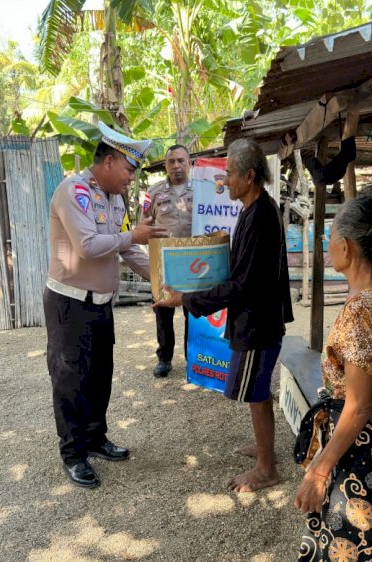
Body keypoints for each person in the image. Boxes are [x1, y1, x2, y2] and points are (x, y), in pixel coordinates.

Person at [153, 138, 293, 493]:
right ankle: (265, 451)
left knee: (257, 394)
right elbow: (241, 271)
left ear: (249, 175)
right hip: (256, 318)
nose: (224, 180)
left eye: (229, 174)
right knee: (255, 390)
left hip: (257, 323)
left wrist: (188, 299)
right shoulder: (253, 208)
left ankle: (266, 469)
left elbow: (243, 284)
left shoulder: (261, 215)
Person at [292, 197, 372, 561]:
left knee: (346, 547)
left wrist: (319, 470)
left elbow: (359, 406)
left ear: (345, 244)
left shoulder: (362, 310)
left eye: (330, 237)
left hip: (364, 446)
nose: (328, 246)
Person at [45, 122, 168, 489]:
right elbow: (87, 246)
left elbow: (127, 249)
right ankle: (74, 453)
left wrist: (164, 282)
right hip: (69, 303)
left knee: (99, 376)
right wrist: (133, 234)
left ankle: (96, 438)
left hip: (100, 305)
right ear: (111, 161)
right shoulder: (74, 191)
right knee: (71, 381)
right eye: (130, 170)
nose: (132, 178)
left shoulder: (114, 199)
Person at [144, 144, 193, 378]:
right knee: (163, 310)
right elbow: (143, 226)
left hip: (194, 262)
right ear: (165, 165)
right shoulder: (152, 193)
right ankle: (164, 358)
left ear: (189, 163)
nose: (176, 165)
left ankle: (193, 358)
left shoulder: (203, 191)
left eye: (181, 160)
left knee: (193, 310)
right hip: (163, 261)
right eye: (171, 161)